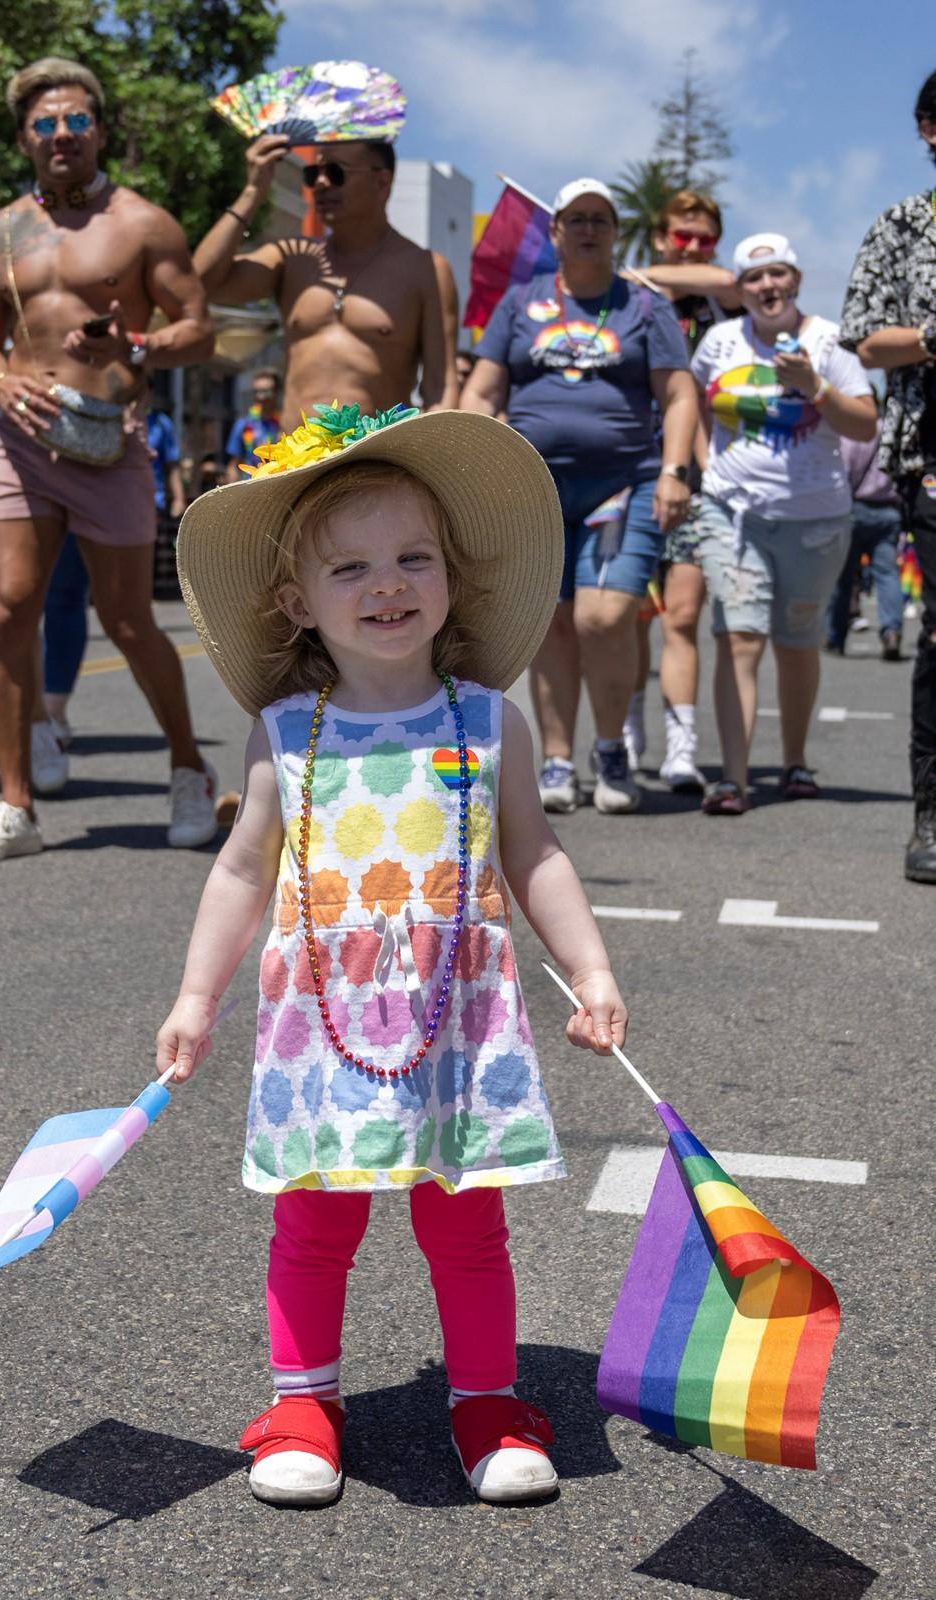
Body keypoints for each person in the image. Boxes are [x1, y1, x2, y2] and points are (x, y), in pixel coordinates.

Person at [159, 404, 626, 1510]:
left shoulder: (486, 718)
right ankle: (302, 1401)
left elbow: (535, 852)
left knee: (465, 1221)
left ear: (454, 580)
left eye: (414, 557)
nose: (387, 583)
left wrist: (594, 970)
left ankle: (486, 1400)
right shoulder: (284, 730)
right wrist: (195, 995)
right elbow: (238, 872)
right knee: (316, 1218)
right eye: (351, 566)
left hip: (456, 1028)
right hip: (323, 1031)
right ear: (296, 602)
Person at [0, 56, 216, 862]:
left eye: (76, 120)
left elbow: (199, 328)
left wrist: (133, 340)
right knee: (6, 610)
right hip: (24, 440)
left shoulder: (142, 223)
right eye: (45, 123)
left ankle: (186, 769)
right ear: (25, 138)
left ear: (99, 130)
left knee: (128, 618)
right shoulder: (0, 231)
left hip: (111, 441)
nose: (61, 134)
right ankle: (16, 807)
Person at [460, 178, 697, 814]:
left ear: (616, 232)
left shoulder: (645, 307)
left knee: (604, 616)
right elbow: (482, 391)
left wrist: (675, 469)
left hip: (624, 484)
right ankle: (559, 760)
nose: (589, 228)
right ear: (556, 231)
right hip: (533, 488)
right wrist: (473, 454)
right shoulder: (520, 302)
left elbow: (678, 394)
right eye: (577, 219)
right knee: (552, 623)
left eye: (602, 219)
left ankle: (612, 748)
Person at [691, 234, 876, 814]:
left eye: (777, 274)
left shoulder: (830, 340)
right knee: (738, 639)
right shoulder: (720, 342)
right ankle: (734, 781)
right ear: (739, 288)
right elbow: (693, 404)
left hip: (815, 523)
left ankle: (795, 760)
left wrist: (814, 387)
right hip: (733, 514)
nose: (767, 286)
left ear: (794, 280)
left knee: (797, 645)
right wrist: (704, 469)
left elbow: (865, 425)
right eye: (754, 277)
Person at [840, 68, 936, 882]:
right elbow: (865, 340)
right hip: (928, 455)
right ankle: (930, 817)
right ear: (928, 131)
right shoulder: (899, 229)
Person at [193, 135, 460, 422]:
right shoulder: (293, 258)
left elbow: (440, 387)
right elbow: (200, 283)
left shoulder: (425, 269)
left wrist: (435, 459)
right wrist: (253, 191)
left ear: (382, 182)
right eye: (313, 174)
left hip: (376, 461)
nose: (321, 183)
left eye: (336, 172)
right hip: (295, 460)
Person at [623, 190, 738, 792]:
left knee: (684, 617)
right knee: (630, 617)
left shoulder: (724, 303)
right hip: (637, 472)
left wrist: (655, 268)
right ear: (663, 236)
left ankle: (682, 748)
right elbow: (624, 277)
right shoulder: (637, 303)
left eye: (704, 237)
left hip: (697, 480)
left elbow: (727, 279)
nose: (692, 247)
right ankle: (629, 735)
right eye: (681, 236)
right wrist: (643, 276)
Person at [826, 418, 904, 659]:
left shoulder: (853, 432)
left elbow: (844, 470)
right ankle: (892, 632)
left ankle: (836, 636)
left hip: (854, 509)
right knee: (887, 574)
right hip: (888, 510)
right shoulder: (892, 430)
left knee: (843, 577)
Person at [225, 368, 282, 482]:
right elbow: (233, 466)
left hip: (281, 483)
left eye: (266, 391)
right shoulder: (243, 425)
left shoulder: (285, 423)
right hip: (252, 486)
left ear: (277, 391)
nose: (261, 397)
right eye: (257, 391)